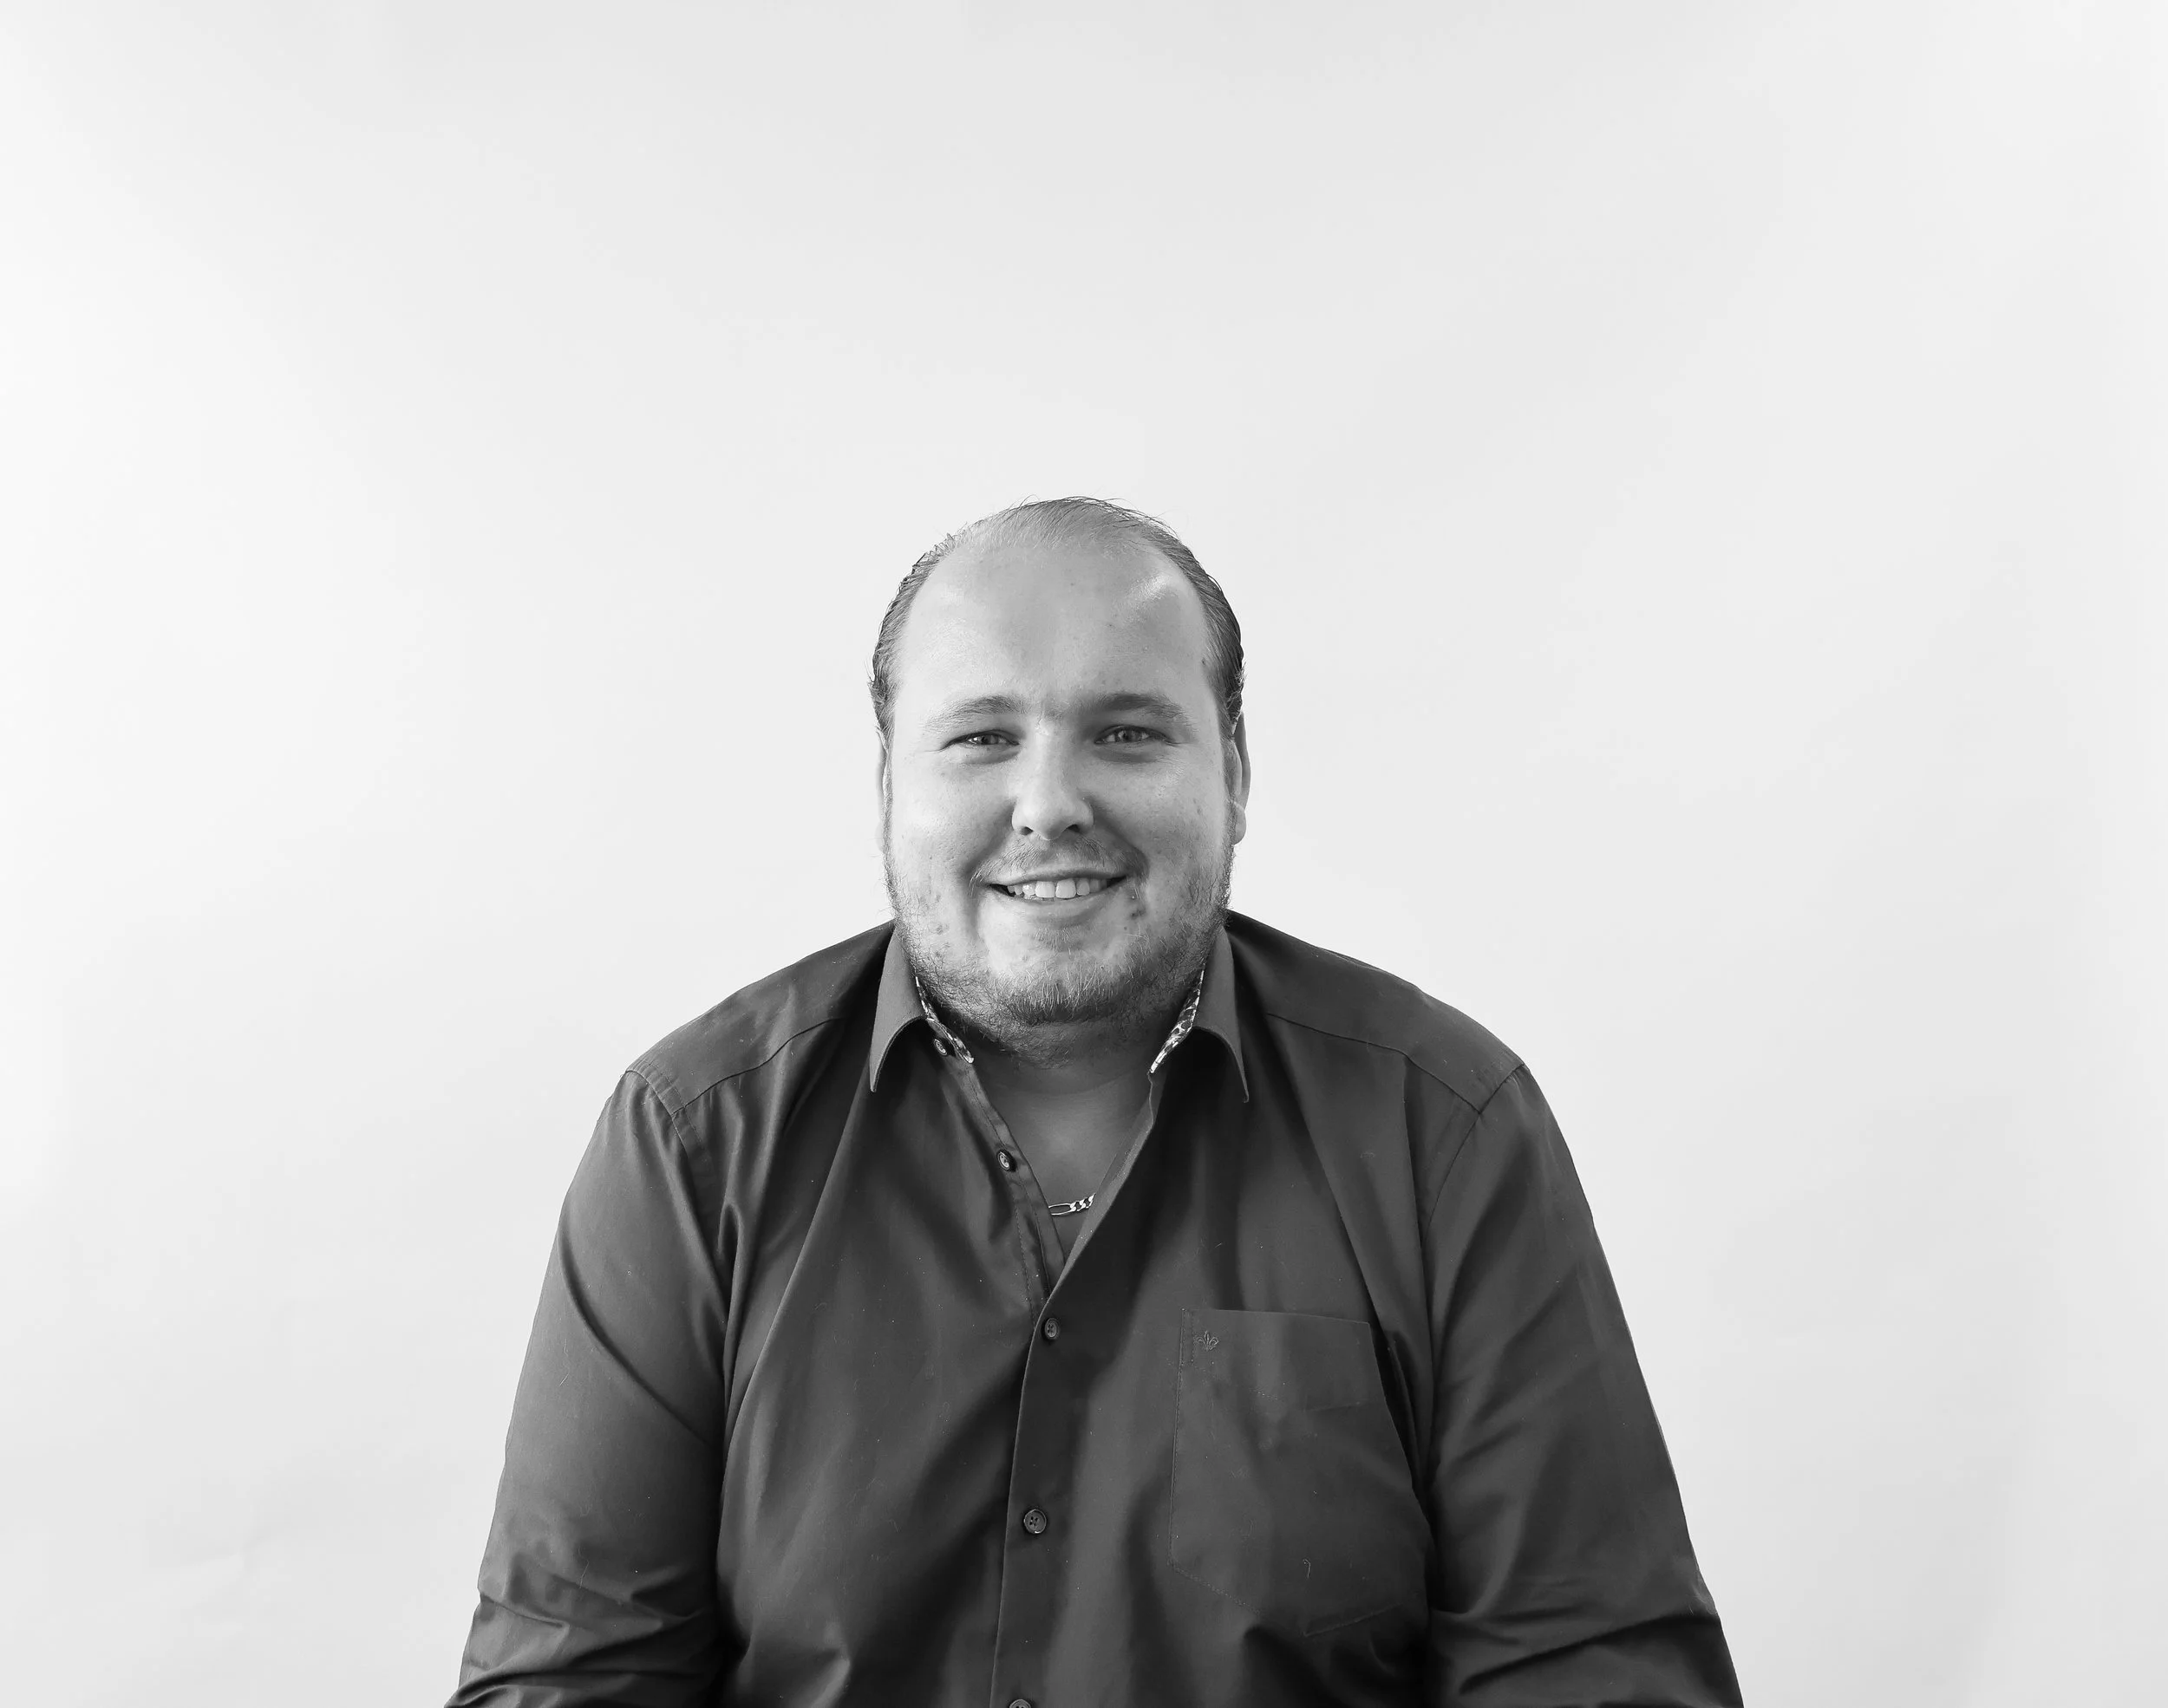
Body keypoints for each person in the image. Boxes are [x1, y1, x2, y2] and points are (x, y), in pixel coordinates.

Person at [448, 498, 1743, 1707]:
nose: (1051, 804)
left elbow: (1589, 1674)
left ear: (1234, 771)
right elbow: (573, 1682)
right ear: (890, 785)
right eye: (982, 736)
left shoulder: (1443, 1129)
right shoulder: (694, 1140)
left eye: (1127, 732)